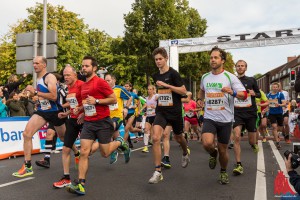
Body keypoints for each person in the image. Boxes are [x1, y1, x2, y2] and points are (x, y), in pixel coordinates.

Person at [66, 56, 130, 195]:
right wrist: (81, 110)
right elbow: (86, 102)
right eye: (82, 66)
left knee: (105, 153)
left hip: (103, 122)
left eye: (87, 66)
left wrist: (97, 101)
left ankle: (120, 142)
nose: (84, 68)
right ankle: (81, 184)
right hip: (89, 123)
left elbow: (113, 99)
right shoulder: (83, 85)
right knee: (84, 152)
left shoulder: (100, 82)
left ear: (94, 68)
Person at [199, 46, 247, 184]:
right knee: (207, 143)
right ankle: (212, 154)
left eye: (216, 57)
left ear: (223, 60)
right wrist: (199, 100)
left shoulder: (230, 77)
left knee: (223, 150)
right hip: (210, 116)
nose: (212, 60)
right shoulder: (205, 77)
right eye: (211, 58)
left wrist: (232, 92)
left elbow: (244, 95)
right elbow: (201, 91)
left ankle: (223, 171)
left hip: (226, 120)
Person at [12, 56, 66, 177]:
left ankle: (77, 153)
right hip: (42, 111)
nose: (34, 65)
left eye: (37, 63)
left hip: (55, 112)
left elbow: (53, 96)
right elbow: (42, 97)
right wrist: (33, 96)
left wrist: (35, 92)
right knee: (27, 133)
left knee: (63, 138)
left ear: (44, 65)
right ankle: (28, 166)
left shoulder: (50, 77)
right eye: (33, 63)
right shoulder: (38, 78)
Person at [148, 47, 190, 184]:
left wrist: (167, 85)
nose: (158, 61)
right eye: (156, 60)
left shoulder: (173, 74)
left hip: (175, 112)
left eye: (160, 59)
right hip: (162, 111)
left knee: (179, 138)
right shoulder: (155, 75)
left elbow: (183, 91)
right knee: (155, 137)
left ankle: (185, 152)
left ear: (166, 58)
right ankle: (157, 171)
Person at [53, 65, 84, 188]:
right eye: (64, 75)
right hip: (73, 120)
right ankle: (66, 178)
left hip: (86, 120)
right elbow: (74, 106)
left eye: (68, 75)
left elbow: (89, 102)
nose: (65, 77)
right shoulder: (69, 88)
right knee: (66, 149)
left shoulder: (82, 85)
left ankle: (118, 143)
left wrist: (84, 113)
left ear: (75, 75)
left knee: (98, 150)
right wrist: (66, 113)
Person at [232, 60, 261, 176]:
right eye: (238, 66)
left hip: (250, 113)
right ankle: (238, 164)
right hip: (237, 113)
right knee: (237, 137)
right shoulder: (232, 80)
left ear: (246, 68)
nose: (240, 67)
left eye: (242, 66)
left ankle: (253, 144)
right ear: (235, 68)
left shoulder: (251, 80)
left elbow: (258, 94)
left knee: (251, 140)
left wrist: (255, 94)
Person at [104, 73, 132, 164]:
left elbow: (130, 97)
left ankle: (113, 152)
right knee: (116, 137)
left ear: (114, 80)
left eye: (108, 80)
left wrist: (126, 108)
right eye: (105, 80)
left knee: (108, 131)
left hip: (117, 117)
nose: (106, 82)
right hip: (107, 117)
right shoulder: (104, 90)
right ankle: (125, 148)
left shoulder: (119, 89)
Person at [267, 82, 286, 150]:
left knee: (280, 127)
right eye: (273, 87)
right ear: (272, 87)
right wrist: (265, 110)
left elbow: (284, 103)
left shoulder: (280, 94)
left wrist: (279, 104)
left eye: (276, 87)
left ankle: (276, 134)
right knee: (274, 127)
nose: (275, 88)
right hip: (272, 113)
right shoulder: (268, 95)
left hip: (279, 113)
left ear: (278, 88)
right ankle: (277, 142)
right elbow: (267, 104)